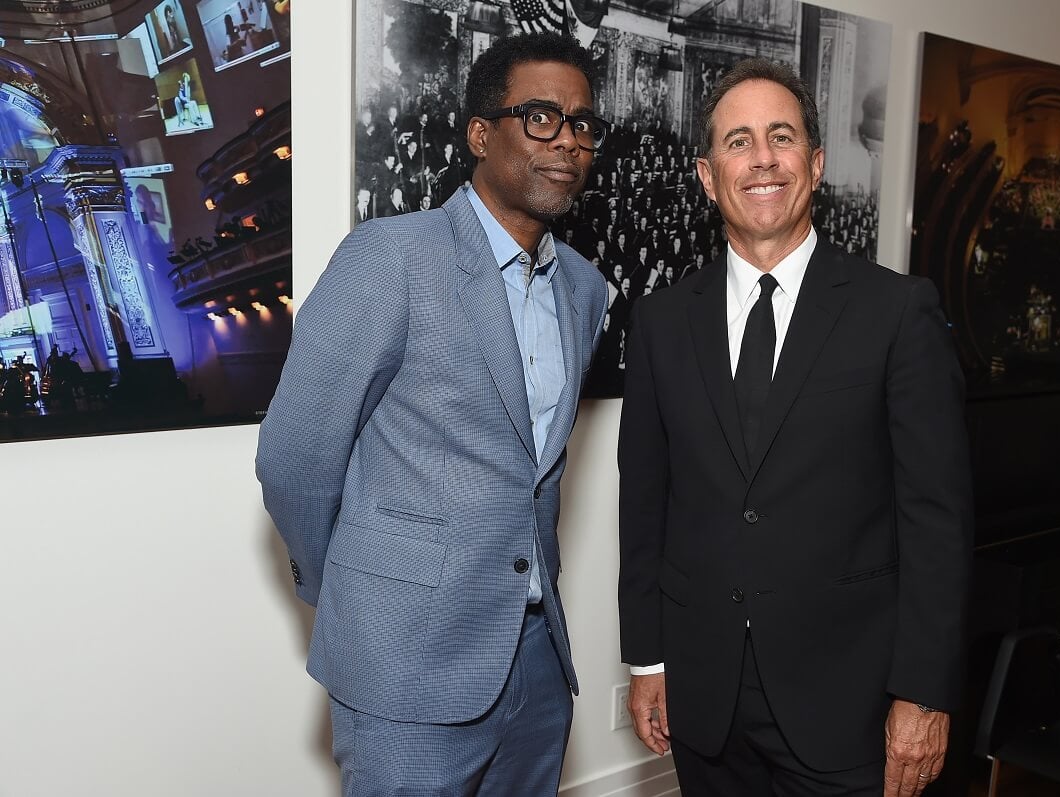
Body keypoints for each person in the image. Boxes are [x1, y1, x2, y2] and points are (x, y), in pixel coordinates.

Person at [256, 32, 609, 796]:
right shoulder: (392, 257)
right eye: (542, 117)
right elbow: (294, 456)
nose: (568, 142)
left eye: (583, 123)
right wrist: (360, 586)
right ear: (482, 134)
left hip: (539, 660)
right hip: (405, 661)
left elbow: (530, 468)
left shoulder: (584, 288)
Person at [617, 58, 972, 797]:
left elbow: (937, 521)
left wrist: (923, 694)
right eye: (738, 141)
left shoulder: (897, 313)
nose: (762, 158)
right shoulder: (659, 323)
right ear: (708, 176)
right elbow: (643, 505)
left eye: (781, 137)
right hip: (704, 698)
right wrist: (646, 661)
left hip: (849, 704)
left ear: (813, 163)